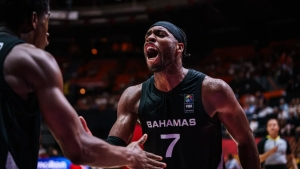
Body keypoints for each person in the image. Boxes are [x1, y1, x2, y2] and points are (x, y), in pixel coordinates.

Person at [0, 0, 166, 169]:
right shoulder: (32, 60)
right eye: (47, 21)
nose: (48, 35)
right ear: (33, 20)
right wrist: (131, 155)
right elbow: (79, 149)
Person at [81, 21, 260, 169]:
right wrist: (95, 148)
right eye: (148, 36)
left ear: (179, 47)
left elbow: (245, 140)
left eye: (160, 34)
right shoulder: (133, 96)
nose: (150, 37)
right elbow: (115, 147)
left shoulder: (212, 89)